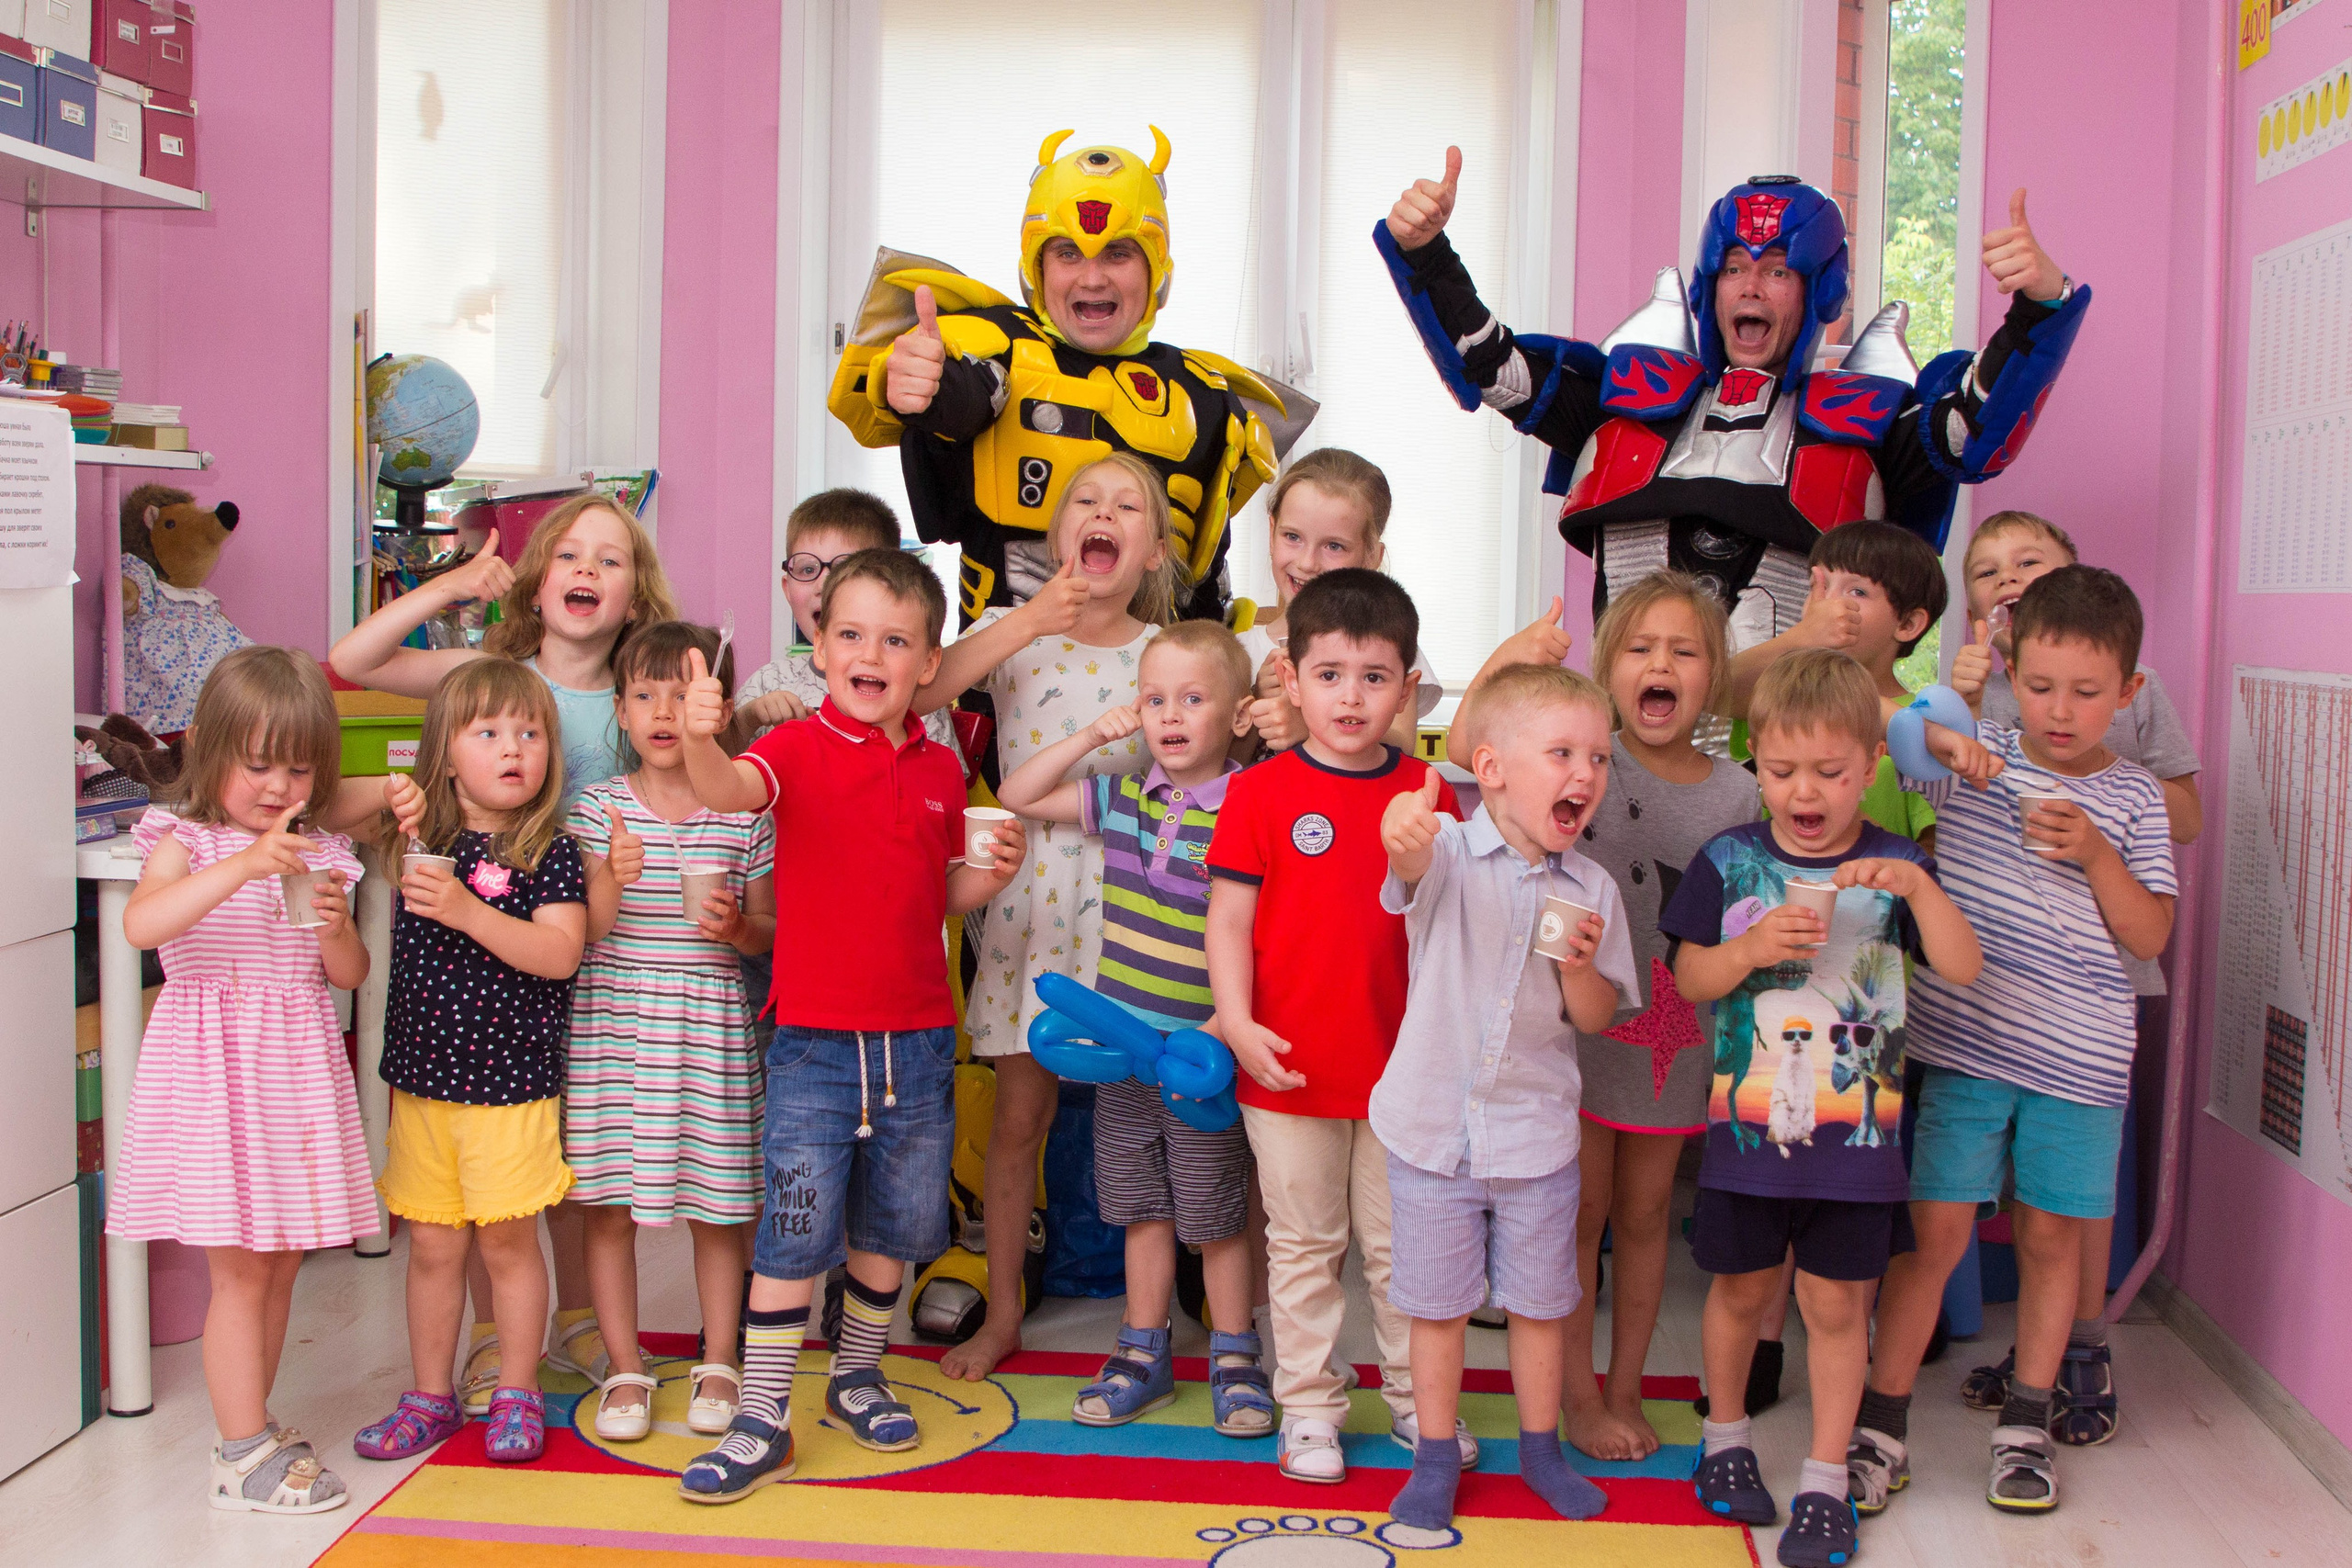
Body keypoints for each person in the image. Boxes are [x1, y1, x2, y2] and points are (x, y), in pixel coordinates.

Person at [1379, 152, 2087, 649]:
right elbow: (1495, 367)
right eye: (1736, 268)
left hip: (1787, 761)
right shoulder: (1627, 400)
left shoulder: (1869, 429)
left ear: (1820, 292)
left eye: (1778, 269)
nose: (1751, 287)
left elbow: (1973, 433)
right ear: (1708, 285)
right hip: (1627, 747)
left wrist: (2039, 305)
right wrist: (1426, 254)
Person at [669, 548, 1024, 1502]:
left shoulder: (947, 768)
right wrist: (702, 738)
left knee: (892, 1231)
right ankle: (764, 1417)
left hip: (917, 1044)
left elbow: (937, 896)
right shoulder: (790, 750)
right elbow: (722, 791)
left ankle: (857, 1375)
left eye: (897, 640)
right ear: (819, 648)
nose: (873, 653)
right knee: (792, 1232)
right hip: (814, 1047)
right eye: (852, 634)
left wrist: (988, 879)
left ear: (925, 662)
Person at [329, 491, 681, 1400]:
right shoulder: (491, 670)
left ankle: (567, 1323)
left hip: (589, 940)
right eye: (569, 555)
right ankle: (494, 1334)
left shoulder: (634, 696)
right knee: (491, 1169)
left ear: (636, 593)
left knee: (562, 1153)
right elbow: (350, 659)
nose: (588, 571)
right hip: (483, 949)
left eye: (610, 559)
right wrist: (449, 585)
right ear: (534, 582)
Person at [1854, 567, 2177, 1518]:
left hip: (2079, 1065)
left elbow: (2150, 936)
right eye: (2038, 687)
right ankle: (1880, 1422)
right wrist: (1949, 735)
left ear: (2129, 692)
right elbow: (1897, 735)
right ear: (2007, 674)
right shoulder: (1975, 754)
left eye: (2086, 693)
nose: (2060, 711)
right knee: (1935, 1234)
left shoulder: (2133, 801)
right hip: (1965, 1051)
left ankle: (2027, 1422)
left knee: (2047, 1239)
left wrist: (2096, 854)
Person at [1659, 649, 1984, 1568]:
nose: (1806, 792)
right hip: (1744, 1143)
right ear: (1752, 758)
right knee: (1741, 1291)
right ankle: (1724, 1445)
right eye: (1782, 770)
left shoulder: (1895, 863)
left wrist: (1921, 886)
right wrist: (1753, 945)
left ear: (1871, 768)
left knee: (1840, 1309)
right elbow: (1690, 981)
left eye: (1831, 773)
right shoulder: (1728, 859)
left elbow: (1961, 968)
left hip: (1859, 1148)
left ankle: (1826, 1478)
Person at [1462, 573, 1758, 1461]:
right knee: (1579, 1216)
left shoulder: (1739, 793)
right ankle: (1579, 1398)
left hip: (1676, 1048)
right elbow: (1478, 753)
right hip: (1576, 1042)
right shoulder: (1585, 758)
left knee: (1644, 1216)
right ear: (1608, 667)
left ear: (1714, 678)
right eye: (1638, 647)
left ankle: (1625, 1387)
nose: (1660, 664)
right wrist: (1505, 661)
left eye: (1685, 650)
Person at [1944, 508, 2203, 1446]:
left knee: (2075, 1191)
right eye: (1986, 568)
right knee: (2019, 1183)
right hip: (2000, 987)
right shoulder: (1977, 694)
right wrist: (1963, 712)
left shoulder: (2122, 701)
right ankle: (2037, 1354)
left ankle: (2082, 1349)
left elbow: (2183, 811)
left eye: (2028, 562)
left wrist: (2100, 781)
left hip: (2103, 979)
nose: (2006, 578)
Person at [831, 127, 1310, 625]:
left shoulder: (1203, 395)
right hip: (999, 687)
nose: (1092, 277)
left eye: (1118, 253)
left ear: (1157, 268)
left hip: (1155, 692)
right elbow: (963, 394)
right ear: (1035, 267)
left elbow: (1205, 577)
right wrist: (913, 381)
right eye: (1067, 253)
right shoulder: (1000, 347)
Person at [919, 453, 1172, 1383]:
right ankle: (1006, 1311)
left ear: (1149, 550)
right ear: (1058, 536)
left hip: (1141, 906)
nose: (1103, 513)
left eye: (1127, 506)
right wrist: (1028, 617)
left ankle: (1147, 1323)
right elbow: (918, 692)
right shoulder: (1009, 632)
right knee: (1020, 1118)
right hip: (1030, 904)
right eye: (1085, 501)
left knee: (1147, 1117)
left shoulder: (1163, 654)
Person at [1204, 569, 1462, 1484]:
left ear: (1406, 684)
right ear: (1289, 675)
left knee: (1401, 1251)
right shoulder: (1258, 793)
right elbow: (1229, 920)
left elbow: (1454, 921)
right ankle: (1307, 1405)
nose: (1351, 696)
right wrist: (1235, 1021)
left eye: (1374, 675)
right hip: (1286, 1064)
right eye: (1330, 673)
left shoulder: (1432, 793)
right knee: (1304, 1244)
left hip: (1406, 1073)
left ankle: (1413, 1399)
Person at [1373, 662, 1635, 1530]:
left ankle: (1541, 1450)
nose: (1585, 774)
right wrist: (1404, 830)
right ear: (1490, 769)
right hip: (1433, 1132)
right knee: (1438, 1308)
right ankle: (1437, 1456)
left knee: (1540, 1303)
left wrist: (1580, 966)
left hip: (1534, 1139)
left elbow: (1594, 1017)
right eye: (1562, 751)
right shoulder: (1447, 853)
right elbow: (1407, 863)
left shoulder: (1592, 890)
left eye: (1597, 758)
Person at [110, 648, 373, 1515]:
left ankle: (251, 1421)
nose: (276, 784)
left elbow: (348, 974)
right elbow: (142, 926)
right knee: (242, 1272)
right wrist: (244, 864)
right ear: (212, 751)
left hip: (293, 1069)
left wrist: (335, 923)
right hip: (217, 1075)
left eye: (297, 766)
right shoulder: (181, 840)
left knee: (282, 1256)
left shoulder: (321, 847)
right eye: (255, 762)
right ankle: (240, 1453)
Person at [994, 620, 1272, 1436]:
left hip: (1201, 1059)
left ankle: (1235, 1354)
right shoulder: (1119, 798)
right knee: (1143, 1209)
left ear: (1236, 714)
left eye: (1193, 698)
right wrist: (1091, 733)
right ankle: (1142, 1350)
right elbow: (1016, 794)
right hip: (1121, 1057)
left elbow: (1264, 937)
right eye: (1155, 699)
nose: (1170, 714)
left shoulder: (1251, 809)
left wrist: (1221, 1032)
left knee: (1215, 1214)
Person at [353, 660, 588, 1466]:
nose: (513, 748)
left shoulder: (552, 850)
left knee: (508, 1248)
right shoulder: (420, 833)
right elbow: (326, 804)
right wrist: (398, 797)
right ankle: (429, 1393)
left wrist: (467, 909)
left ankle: (519, 1387)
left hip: (509, 1092)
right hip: (421, 1086)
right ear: (443, 754)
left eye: (529, 733)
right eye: (487, 732)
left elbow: (560, 954)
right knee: (433, 1248)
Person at [564, 622, 777, 1444]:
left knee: (720, 1206)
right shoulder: (597, 809)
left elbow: (766, 929)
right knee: (609, 1206)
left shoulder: (742, 811)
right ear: (619, 709)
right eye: (645, 694)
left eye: (682, 695)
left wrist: (735, 930)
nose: (663, 711)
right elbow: (582, 931)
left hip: (709, 1025)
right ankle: (624, 1365)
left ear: (714, 707)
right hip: (615, 1024)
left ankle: (719, 1357)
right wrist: (607, 879)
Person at [1731, 521, 1950, 846]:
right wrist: (1802, 637)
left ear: (1907, 624)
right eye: (1817, 587)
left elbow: (1933, 853)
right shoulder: (1778, 695)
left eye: (1856, 591)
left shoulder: (1927, 723)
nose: (1826, 605)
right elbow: (1712, 690)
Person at [1234, 448, 1440, 755]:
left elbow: (1402, 747)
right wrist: (1256, 699)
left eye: (1334, 545)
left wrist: (1311, 727)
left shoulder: (1384, 641)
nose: (1307, 563)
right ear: (1271, 531)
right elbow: (1224, 772)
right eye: (1292, 537)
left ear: (1372, 556)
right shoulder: (1240, 653)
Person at [735, 488, 957, 750]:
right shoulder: (769, 681)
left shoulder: (914, 692)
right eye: (807, 569)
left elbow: (940, 782)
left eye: (844, 569)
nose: (824, 585)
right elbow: (717, 777)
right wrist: (747, 720)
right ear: (787, 588)